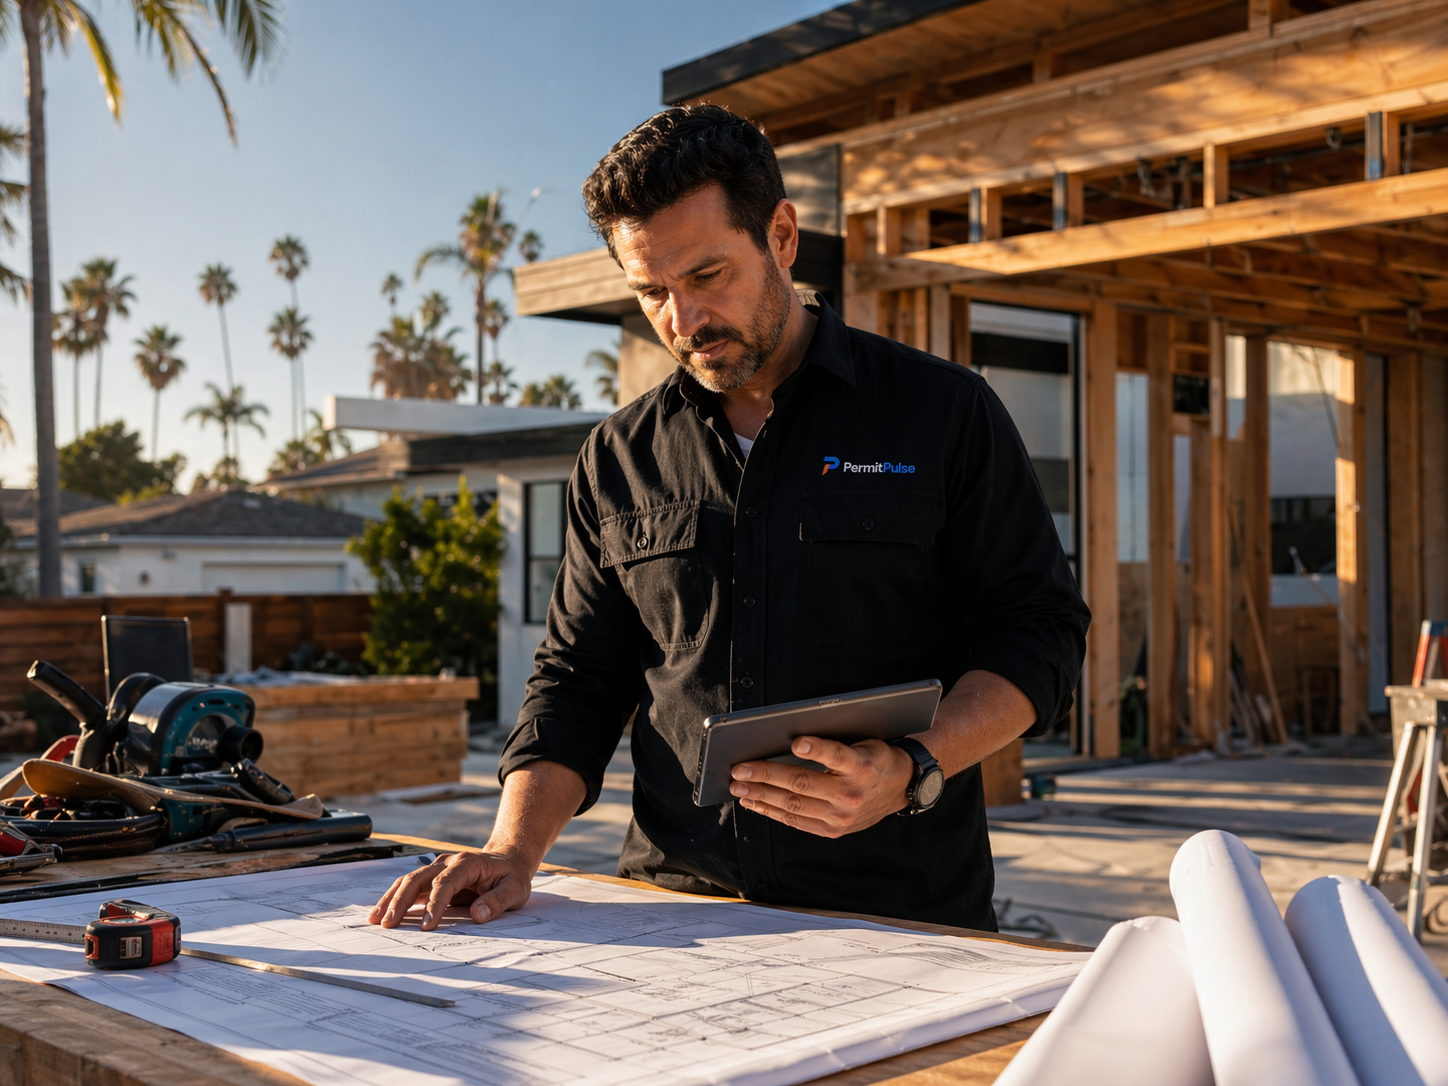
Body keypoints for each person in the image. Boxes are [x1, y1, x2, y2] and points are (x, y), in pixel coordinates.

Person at [370, 104, 1089, 934]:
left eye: (707, 276)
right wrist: (513, 848)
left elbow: (1038, 633)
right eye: (651, 292)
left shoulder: (944, 413)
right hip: (672, 918)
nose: (683, 320)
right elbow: (576, 679)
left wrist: (912, 766)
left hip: (903, 916)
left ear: (781, 235)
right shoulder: (618, 457)